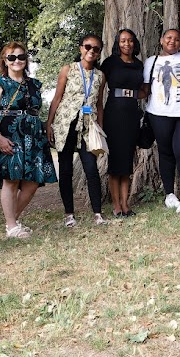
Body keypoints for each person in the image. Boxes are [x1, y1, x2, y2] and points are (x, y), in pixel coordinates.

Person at [0, 42, 57, 238]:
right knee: (11, 180)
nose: (17, 61)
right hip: (9, 135)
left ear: (26, 59)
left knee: (32, 182)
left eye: (21, 57)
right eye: (11, 57)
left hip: (33, 136)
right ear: (4, 61)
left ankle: (11, 221)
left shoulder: (34, 84)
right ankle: (12, 226)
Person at [47, 34, 107, 227]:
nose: (91, 51)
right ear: (81, 48)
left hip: (88, 126)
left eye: (96, 49)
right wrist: (49, 124)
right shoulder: (68, 69)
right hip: (66, 124)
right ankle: (69, 215)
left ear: (99, 53)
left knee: (91, 169)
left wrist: (100, 129)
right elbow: (57, 98)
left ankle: (98, 213)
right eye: (88, 46)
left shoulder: (100, 76)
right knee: (65, 169)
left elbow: (99, 105)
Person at [143, 28, 180, 212]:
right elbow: (146, 88)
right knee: (165, 152)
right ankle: (169, 194)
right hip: (158, 113)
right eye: (169, 38)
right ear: (161, 40)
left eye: (176, 39)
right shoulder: (151, 62)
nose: (172, 41)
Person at [99, 28, 145, 217]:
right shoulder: (110, 63)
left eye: (130, 41)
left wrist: (135, 94)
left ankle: (126, 204)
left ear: (135, 43)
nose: (127, 44)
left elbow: (143, 91)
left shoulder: (139, 64)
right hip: (113, 113)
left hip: (132, 114)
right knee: (115, 162)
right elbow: (100, 90)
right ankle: (116, 205)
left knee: (127, 161)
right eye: (123, 41)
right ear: (118, 43)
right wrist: (98, 118)